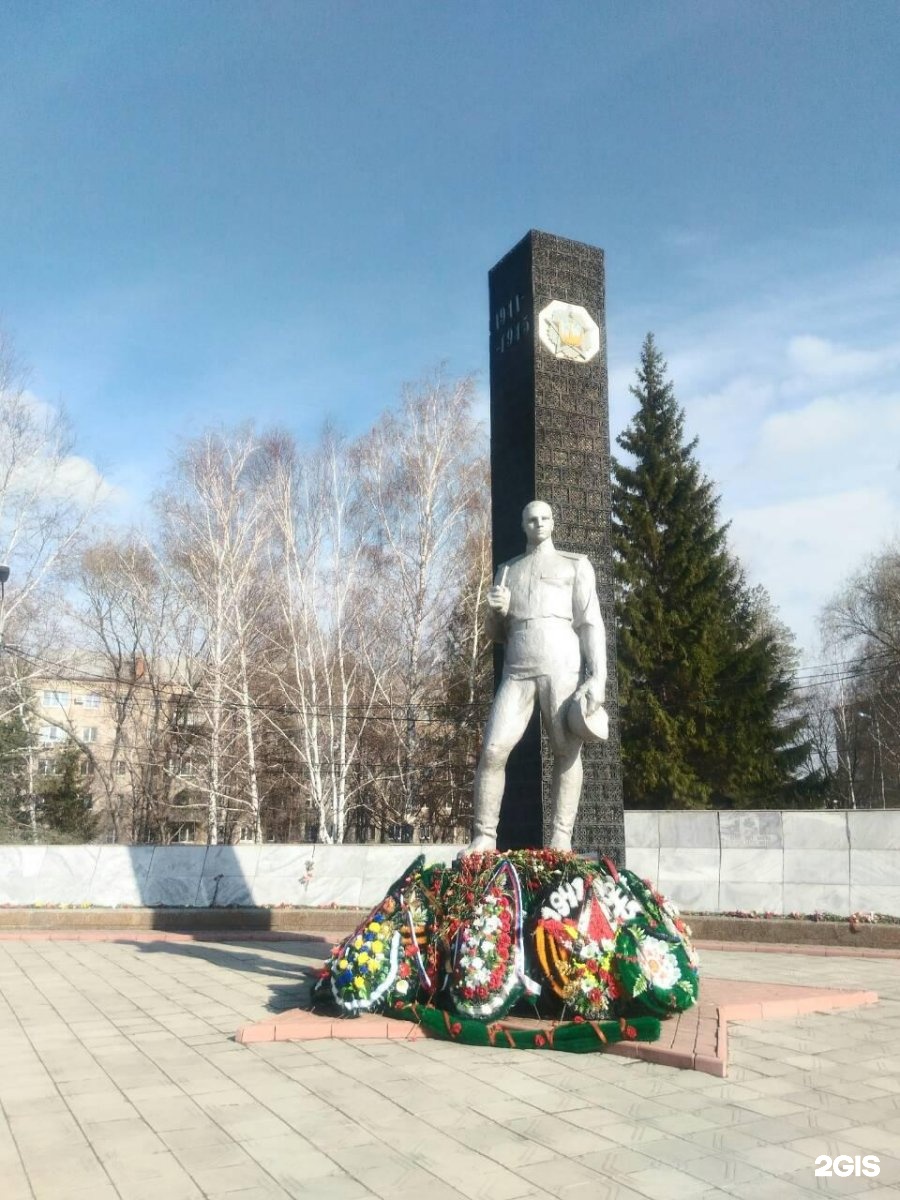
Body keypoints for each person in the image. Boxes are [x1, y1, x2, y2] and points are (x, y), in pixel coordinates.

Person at [468, 500, 606, 853]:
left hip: (561, 663)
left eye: (545, 518)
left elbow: (590, 624)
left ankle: (561, 837)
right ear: (523, 525)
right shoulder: (507, 570)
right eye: (532, 519)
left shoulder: (574, 566)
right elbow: (497, 633)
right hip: (518, 667)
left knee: (565, 748)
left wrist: (598, 677)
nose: (539, 523)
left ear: (553, 522)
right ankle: (484, 838)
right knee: (494, 748)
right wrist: (495, 612)